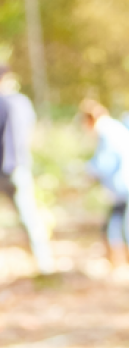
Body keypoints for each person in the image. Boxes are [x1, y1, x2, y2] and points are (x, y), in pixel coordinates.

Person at [80, 99, 129, 267]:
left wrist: (86, 174)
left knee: (118, 226)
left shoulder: (106, 131)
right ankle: (128, 264)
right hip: (128, 184)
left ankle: (122, 264)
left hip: (126, 185)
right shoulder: (113, 128)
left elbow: (104, 162)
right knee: (123, 224)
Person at [0, 65, 53, 275]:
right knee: (30, 216)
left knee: (29, 216)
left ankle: (44, 265)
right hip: (18, 168)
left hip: (11, 169)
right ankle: (44, 265)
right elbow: (31, 133)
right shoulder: (21, 102)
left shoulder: (13, 103)